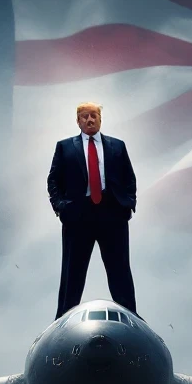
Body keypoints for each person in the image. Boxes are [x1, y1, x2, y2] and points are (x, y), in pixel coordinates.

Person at [47, 102, 137, 320]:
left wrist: (128, 204)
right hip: (78, 216)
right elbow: (53, 181)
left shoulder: (117, 146)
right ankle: (63, 320)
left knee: (120, 271)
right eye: (85, 116)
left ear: (100, 119)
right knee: (72, 273)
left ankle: (132, 319)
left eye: (94, 115)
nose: (90, 119)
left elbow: (129, 178)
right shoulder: (65, 147)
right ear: (78, 121)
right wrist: (61, 208)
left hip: (112, 214)